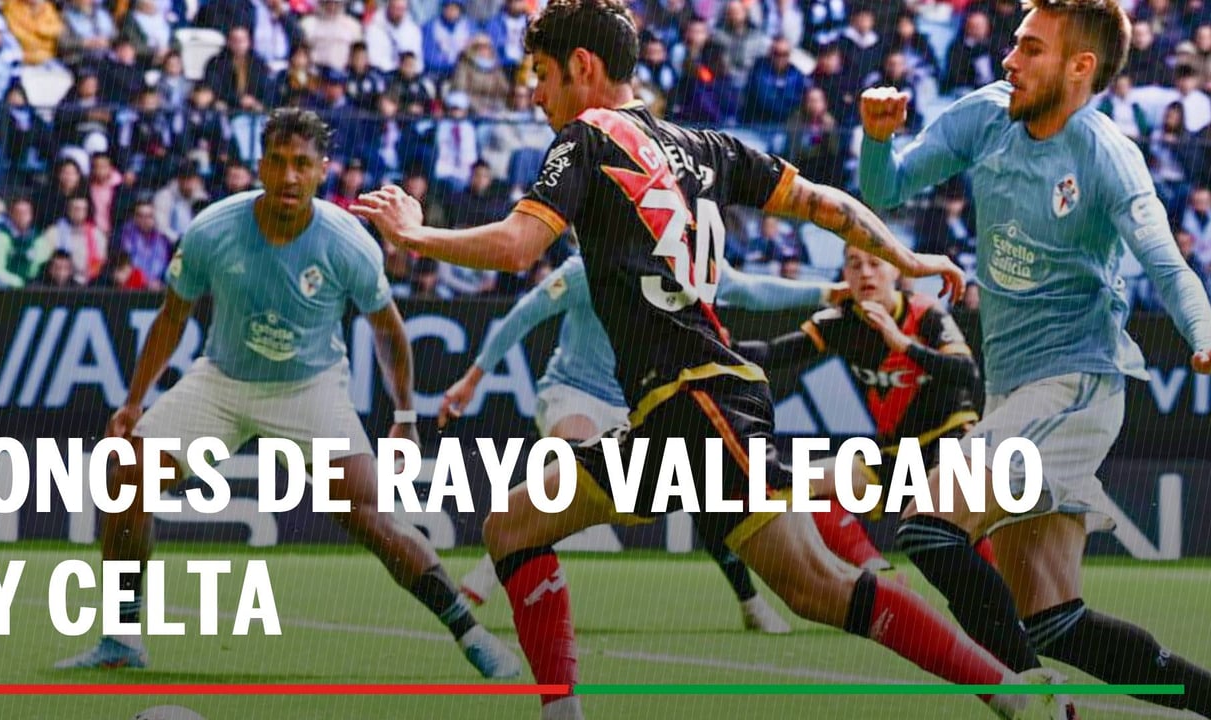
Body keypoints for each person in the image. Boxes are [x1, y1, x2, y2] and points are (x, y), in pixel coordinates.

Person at [355, 1, 1070, 718]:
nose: (535, 93)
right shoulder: (705, 146)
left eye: (541, 73)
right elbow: (820, 202)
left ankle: (1008, 690)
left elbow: (517, 247)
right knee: (513, 526)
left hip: (696, 401)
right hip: (674, 409)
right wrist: (904, 257)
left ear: (583, 66)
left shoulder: (586, 138)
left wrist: (414, 236)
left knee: (817, 585)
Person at [55, 108, 521, 680]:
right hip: (222, 382)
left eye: (302, 163)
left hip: (310, 388)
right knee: (128, 476)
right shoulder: (213, 229)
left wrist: (405, 415)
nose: (289, 176)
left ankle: (471, 633)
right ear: (260, 165)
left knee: (369, 516)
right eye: (277, 162)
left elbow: (389, 331)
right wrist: (134, 401)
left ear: (322, 170)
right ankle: (120, 637)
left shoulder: (346, 241)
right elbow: (172, 316)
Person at [858, 0, 1211, 716]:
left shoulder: (1106, 154)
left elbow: (1167, 266)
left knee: (929, 524)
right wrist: (875, 140)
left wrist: (1203, 333)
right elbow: (884, 189)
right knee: (1054, 620)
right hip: (1014, 392)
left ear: (1080, 67)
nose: (1010, 60)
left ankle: (1036, 703)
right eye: (1016, 43)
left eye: (1032, 50)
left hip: (1075, 385)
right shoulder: (986, 116)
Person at [443, 253, 846, 634]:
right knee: (569, 467)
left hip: (637, 407)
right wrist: (472, 379)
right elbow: (525, 313)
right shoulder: (590, 268)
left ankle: (751, 603)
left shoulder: (691, 261)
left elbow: (749, 289)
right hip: (573, 392)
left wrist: (826, 292)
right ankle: (496, 563)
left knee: (705, 494)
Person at [738, 244, 990, 573]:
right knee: (795, 484)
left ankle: (1004, 597)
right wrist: (720, 344)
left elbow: (967, 373)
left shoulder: (924, 312)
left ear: (896, 269)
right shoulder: (840, 321)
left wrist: (903, 344)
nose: (865, 273)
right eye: (855, 265)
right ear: (845, 273)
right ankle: (878, 574)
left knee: (944, 522)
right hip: (895, 456)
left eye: (875, 263)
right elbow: (772, 354)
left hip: (950, 441)